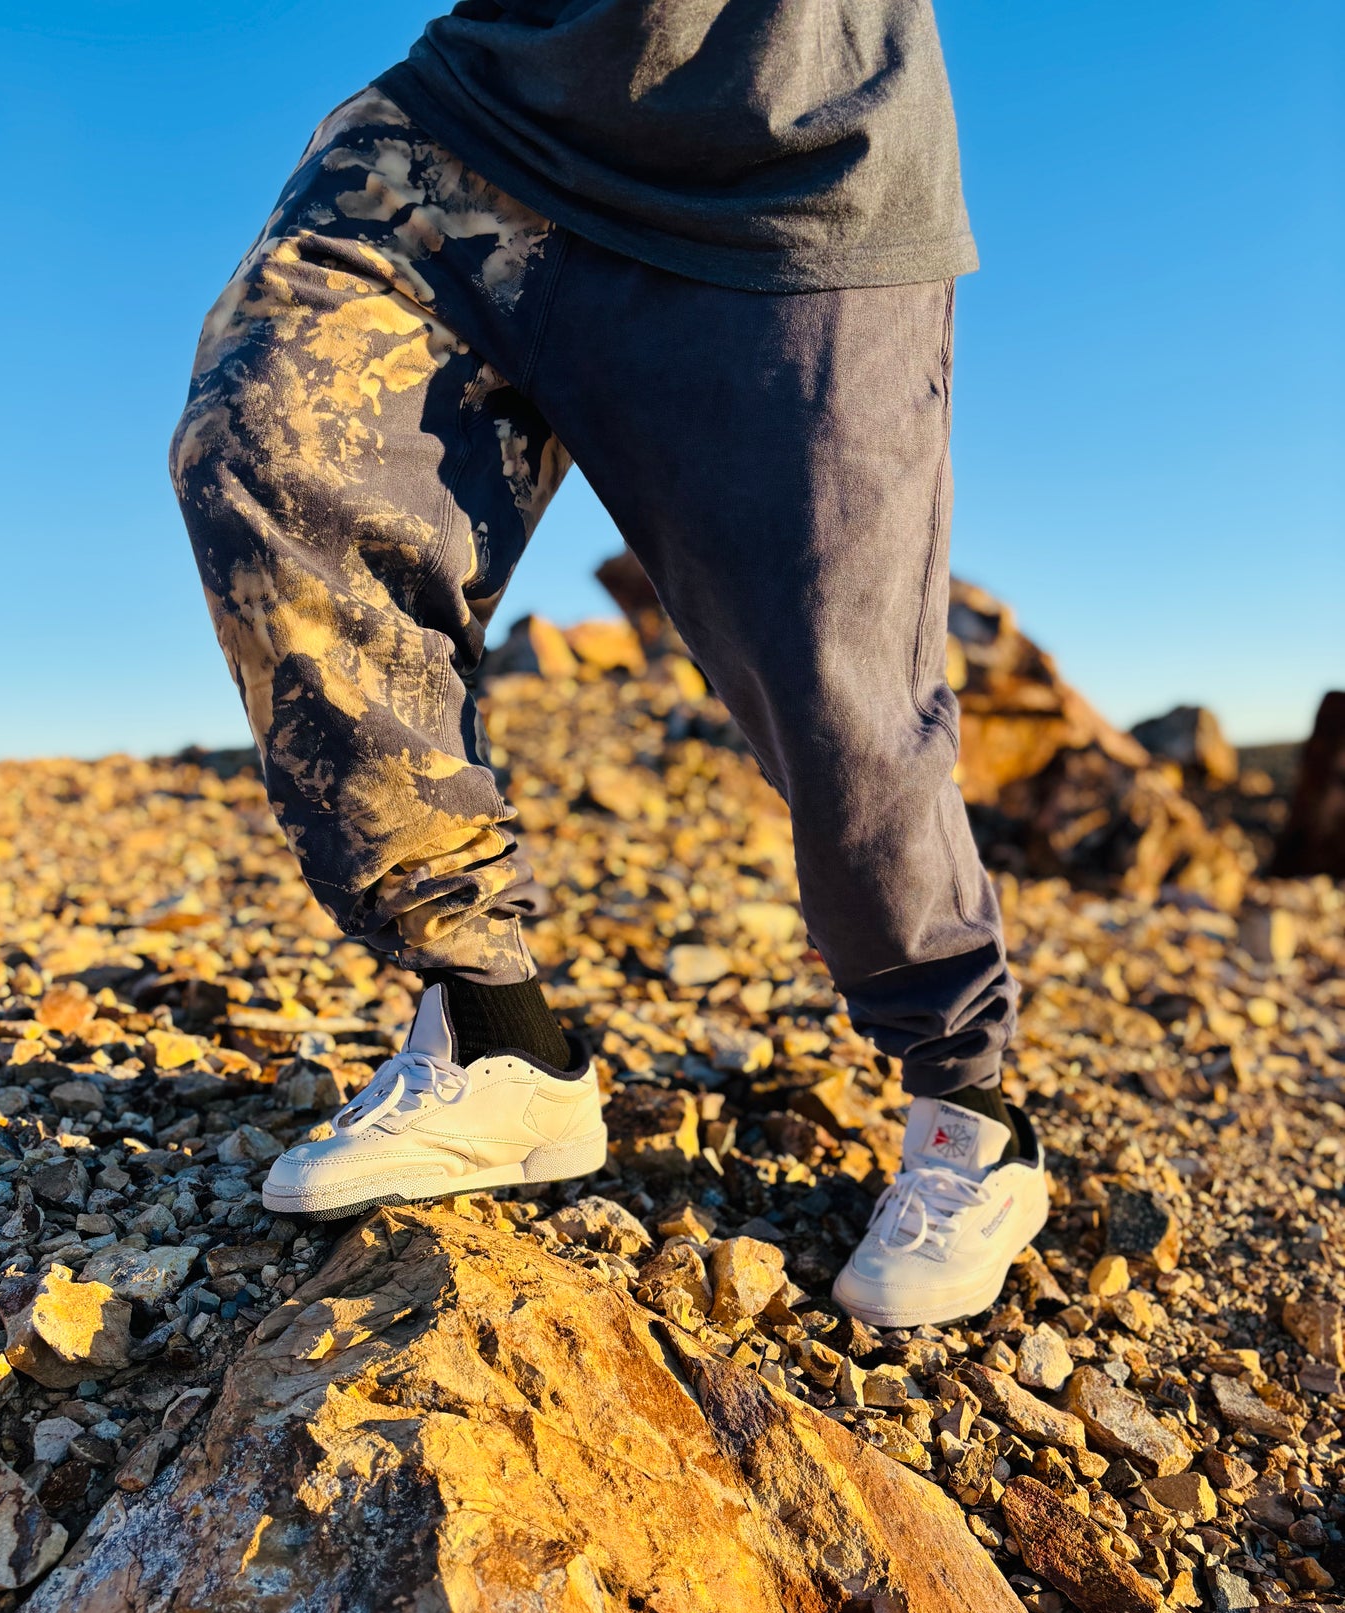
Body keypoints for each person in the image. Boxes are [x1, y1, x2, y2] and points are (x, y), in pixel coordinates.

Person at [169, 0, 1048, 1327]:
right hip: (481, 112)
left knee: (839, 697)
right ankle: (495, 1031)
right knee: (266, 446)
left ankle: (968, 1109)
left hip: (799, 175)